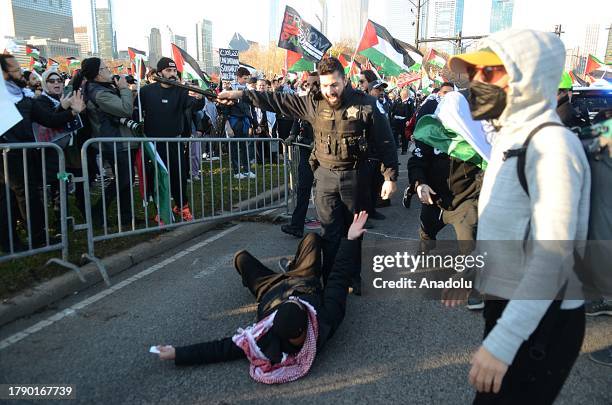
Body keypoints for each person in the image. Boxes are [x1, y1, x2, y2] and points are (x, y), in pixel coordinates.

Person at [445, 29, 590, 403]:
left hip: (541, 320)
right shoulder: (512, 139)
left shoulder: (552, 146)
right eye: (474, 74)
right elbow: (509, 228)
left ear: (528, 75)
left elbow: (554, 257)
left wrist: (504, 342)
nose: (477, 83)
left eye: (490, 73)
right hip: (514, 305)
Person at [218, 57, 398, 295]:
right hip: (324, 178)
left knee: (353, 231)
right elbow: (278, 101)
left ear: (345, 80)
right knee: (331, 233)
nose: (329, 91)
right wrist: (240, 95)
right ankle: (331, 279)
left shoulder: (366, 105)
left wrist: (389, 177)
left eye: (334, 84)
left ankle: (353, 276)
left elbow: (385, 141)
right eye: (325, 86)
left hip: (355, 177)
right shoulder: (313, 104)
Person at [155, 211, 368, 384]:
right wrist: (350, 238)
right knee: (312, 238)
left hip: (269, 289)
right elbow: (338, 279)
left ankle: (286, 269)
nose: (295, 301)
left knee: (241, 258)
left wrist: (177, 353)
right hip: (303, 279)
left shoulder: (264, 338)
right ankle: (292, 267)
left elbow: (222, 348)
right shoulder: (325, 319)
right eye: (298, 305)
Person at [408, 90, 486, 310]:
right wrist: (420, 184)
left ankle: (473, 288)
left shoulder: (475, 136)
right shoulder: (429, 132)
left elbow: (489, 163)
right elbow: (416, 163)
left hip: (465, 199)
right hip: (435, 199)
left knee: (469, 241)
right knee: (426, 232)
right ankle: (424, 248)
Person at [1, 55, 49, 251]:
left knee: (18, 196)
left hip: (22, 152)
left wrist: (68, 111)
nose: (21, 73)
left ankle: (19, 241)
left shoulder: (23, 96)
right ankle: (25, 240)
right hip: (10, 154)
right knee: (17, 196)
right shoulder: (5, 99)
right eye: (16, 70)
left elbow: (47, 118)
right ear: (3, 73)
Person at [81, 57, 135, 228]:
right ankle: (97, 212)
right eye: (104, 68)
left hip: (118, 140)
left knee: (127, 180)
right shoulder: (99, 93)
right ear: (97, 75)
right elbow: (125, 109)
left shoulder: (103, 88)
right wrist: (125, 89)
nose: (109, 70)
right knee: (123, 179)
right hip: (113, 142)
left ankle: (127, 218)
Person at [281, 72, 319, 238]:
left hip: (325, 154)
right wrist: (292, 134)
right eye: (308, 84)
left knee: (328, 192)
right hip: (305, 149)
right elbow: (298, 119)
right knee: (303, 188)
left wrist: (318, 143)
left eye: (314, 84)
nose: (310, 87)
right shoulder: (304, 101)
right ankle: (297, 225)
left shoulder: (330, 103)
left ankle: (338, 225)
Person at [227, 67, 255, 179]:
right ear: (238, 77)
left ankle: (247, 169)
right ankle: (236, 171)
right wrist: (228, 126)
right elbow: (225, 109)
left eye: (248, 78)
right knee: (234, 146)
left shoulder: (248, 90)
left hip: (245, 121)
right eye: (244, 78)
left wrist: (254, 123)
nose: (246, 80)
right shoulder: (230, 89)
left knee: (245, 146)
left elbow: (251, 108)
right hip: (234, 120)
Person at [393, 87, 415, 155]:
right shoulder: (398, 100)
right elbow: (393, 108)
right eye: (402, 93)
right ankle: (395, 147)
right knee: (395, 134)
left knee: (404, 136)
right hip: (396, 120)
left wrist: (409, 120)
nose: (402, 95)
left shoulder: (410, 101)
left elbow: (412, 112)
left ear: (407, 94)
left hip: (404, 120)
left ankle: (404, 149)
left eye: (404, 94)